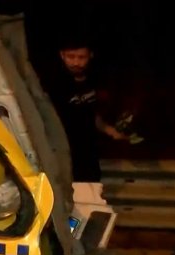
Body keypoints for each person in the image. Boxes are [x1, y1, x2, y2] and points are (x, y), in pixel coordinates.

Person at [45, 36, 130, 183]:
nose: (76, 62)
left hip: (89, 152)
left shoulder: (94, 79)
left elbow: (91, 114)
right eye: (71, 57)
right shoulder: (53, 83)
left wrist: (111, 131)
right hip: (63, 151)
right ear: (62, 55)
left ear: (90, 55)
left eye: (81, 57)